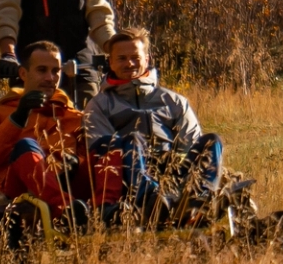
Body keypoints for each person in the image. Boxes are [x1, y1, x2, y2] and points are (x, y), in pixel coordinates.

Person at [0, 40, 125, 232]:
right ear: (23, 74)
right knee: (26, 145)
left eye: (56, 71)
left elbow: (92, 160)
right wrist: (18, 118)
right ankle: (66, 211)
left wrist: (77, 161)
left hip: (72, 189)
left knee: (110, 143)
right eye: (42, 70)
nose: (50, 78)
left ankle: (106, 209)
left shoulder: (75, 117)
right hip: (19, 191)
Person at [90, 28, 219, 199]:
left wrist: (170, 165)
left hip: (172, 171)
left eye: (135, 58)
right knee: (132, 140)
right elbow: (102, 151)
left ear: (147, 59)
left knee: (212, 141)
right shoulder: (100, 105)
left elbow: (190, 144)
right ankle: (150, 198)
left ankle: (200, 198)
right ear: (111, 62)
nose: (129, 64)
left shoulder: (174, 102)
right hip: (128, 180)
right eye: (122, 59)